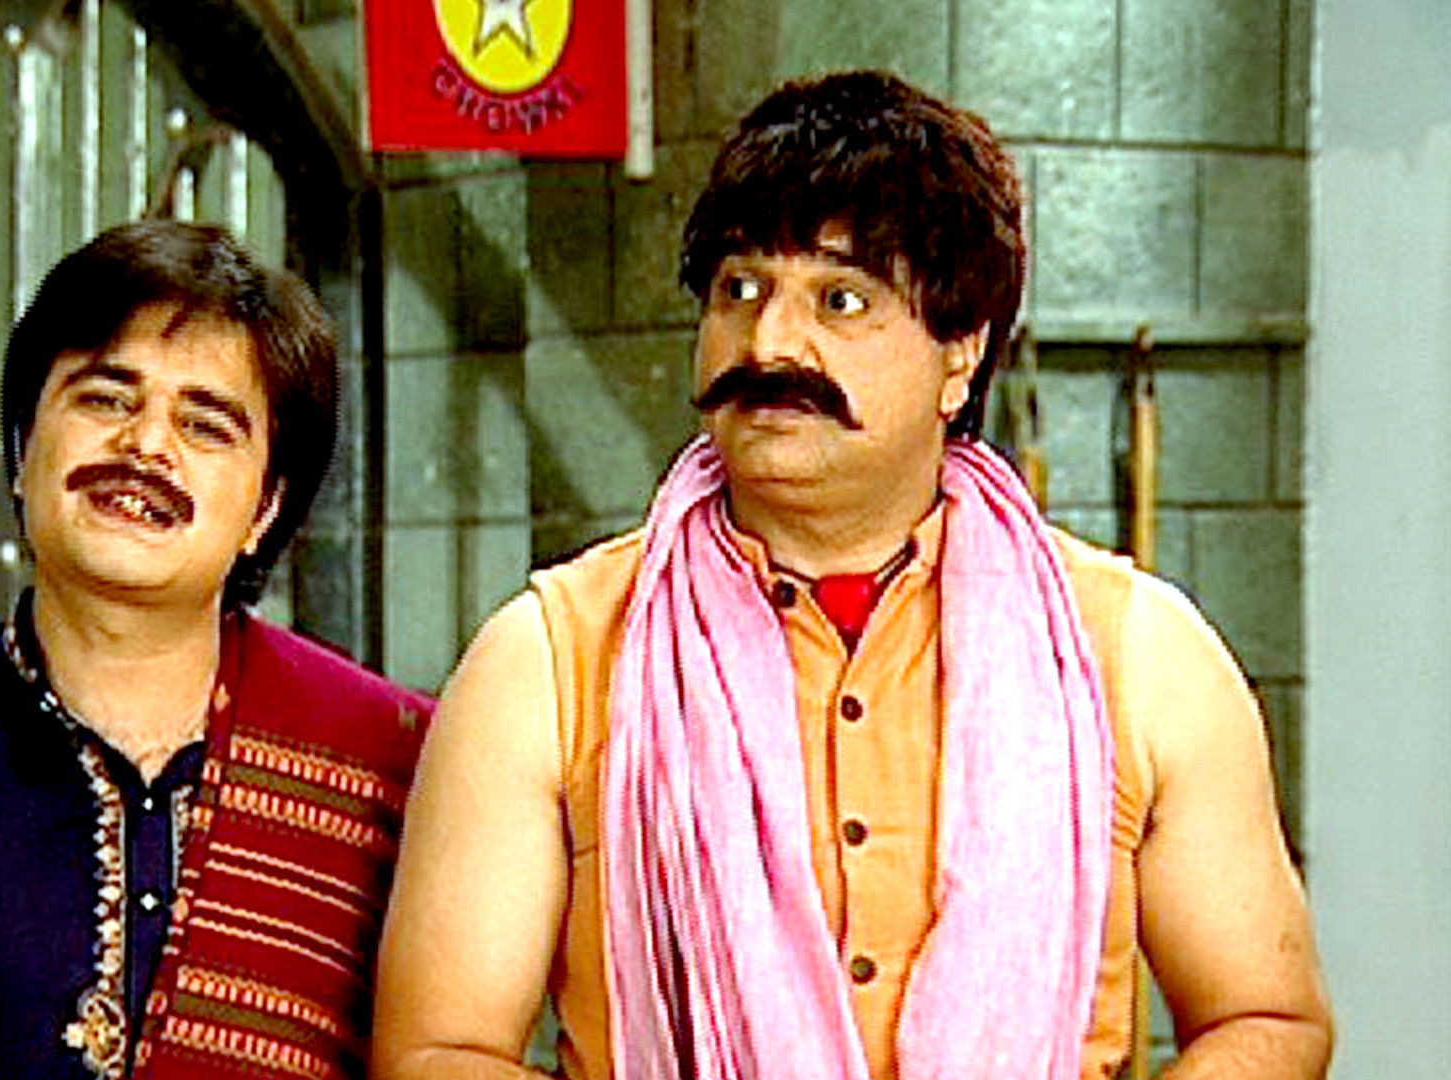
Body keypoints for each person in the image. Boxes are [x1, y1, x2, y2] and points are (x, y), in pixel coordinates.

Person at [373, 71, 1330, 1080]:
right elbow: (438, 1052)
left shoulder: (1135, 657)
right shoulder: (548, 661)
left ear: (960, 353)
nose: (769, 342)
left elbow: (1267, 1019)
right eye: (740, 290)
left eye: (840, 299)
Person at [0, 220, 430, 1080]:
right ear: (23, 449)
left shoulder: (391, 769)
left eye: (206, 425)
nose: (146, 446)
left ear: (265, 509)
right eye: (106, 399)